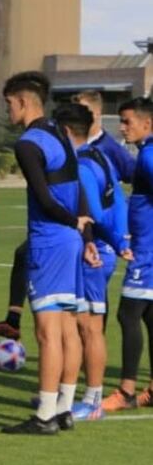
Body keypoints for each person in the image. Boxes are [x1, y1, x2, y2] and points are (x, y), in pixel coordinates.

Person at [0, 90, 136, 341]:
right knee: (79, 323)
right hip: (85, 237)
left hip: (82, 239)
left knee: (77, 327)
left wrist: (111, 237)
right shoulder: (88, 153)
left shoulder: (95, 153)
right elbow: (114, 195)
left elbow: (102, 203)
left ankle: (76, 368)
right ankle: (14, 320)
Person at [0, 71, 98, 435]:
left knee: (47, 332)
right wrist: (85, 234)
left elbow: (43, 198)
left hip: (50, 240)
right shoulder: (61, 133)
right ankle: (64, 408)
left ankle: (44, 416)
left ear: (24, 102)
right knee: (68, 328)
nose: (8, 110)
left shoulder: (28, 143)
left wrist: (73, 222)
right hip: (70, 240)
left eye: (9, 104)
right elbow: (78, 188)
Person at [51, 103, 130, 420]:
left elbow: (94, 213)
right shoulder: (100, 157)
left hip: (93, 252)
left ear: (65, 131)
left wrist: (109, 241)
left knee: (88, 326)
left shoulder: (81, 166)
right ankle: (66, 394)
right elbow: (119, 200)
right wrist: (120, 238)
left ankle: (93, 399)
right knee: (78, 324)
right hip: (101, 249)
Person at [102, 97, 153, 411]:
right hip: (146, 248)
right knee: (149, 315)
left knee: (128, 314)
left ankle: (126, 391)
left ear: (147, 123)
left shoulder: (148, 156)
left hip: (147, 255)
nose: (122, 128)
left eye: (127, 121)